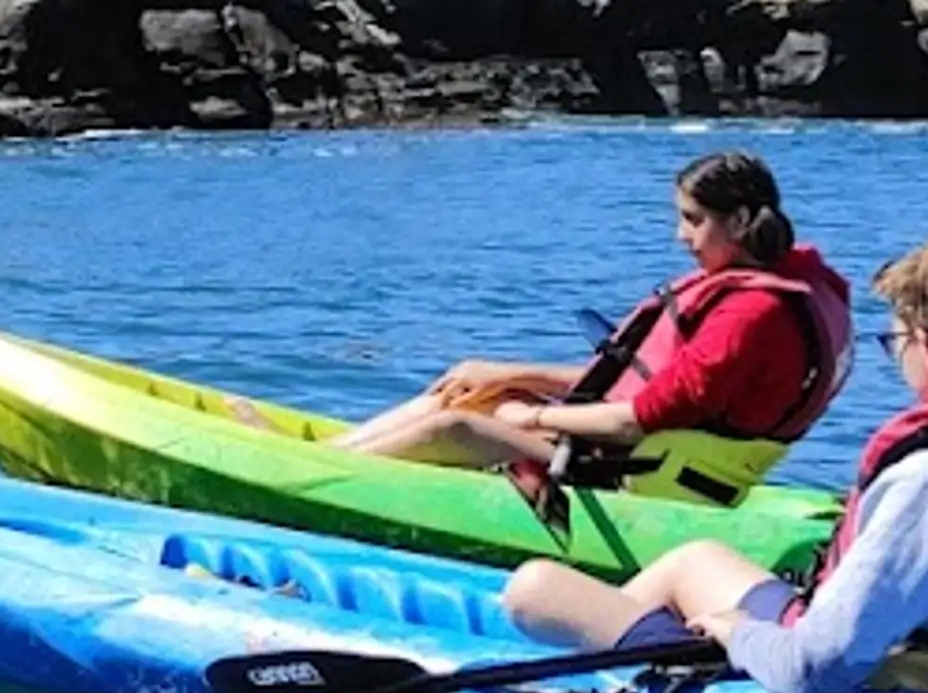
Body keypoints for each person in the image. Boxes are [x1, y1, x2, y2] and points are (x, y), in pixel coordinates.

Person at [496, 232, 928, 693]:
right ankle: (628, 649)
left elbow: (816, 668)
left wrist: (737, 633)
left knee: (533, 588)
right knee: (696, 559)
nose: (896, 358)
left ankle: (614, 683)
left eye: (896, 342)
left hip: (917, 668)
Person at [339, 148, 854, 500]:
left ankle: (314, 482)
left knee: (452, 427)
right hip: (650, 455)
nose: (681, 236)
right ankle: (320, 458)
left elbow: (635, 419)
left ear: (740, 222)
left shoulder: (752, 315)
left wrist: (532, 418)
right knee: (464, 392)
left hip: (652, 478)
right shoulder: (794, 287)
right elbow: (646, 388)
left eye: (693, 220)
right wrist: (506, 374)